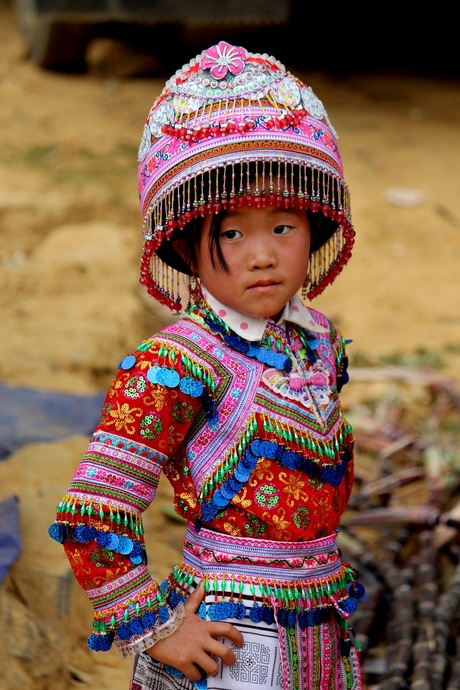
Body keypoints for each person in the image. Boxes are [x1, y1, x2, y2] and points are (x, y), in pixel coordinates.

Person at [49, 40, 364, 690]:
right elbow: (94, 508)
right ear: (189, 247)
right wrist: (157, 627)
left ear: (316, 226)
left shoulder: (316, 341)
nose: (262, 255)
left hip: (321, 635)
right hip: (228, 649)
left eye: (283, 227)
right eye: (232, 232)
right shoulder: (174, 363)